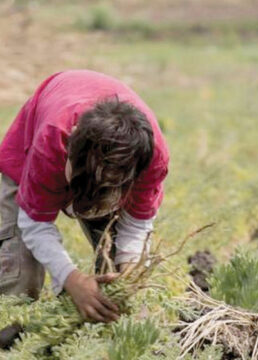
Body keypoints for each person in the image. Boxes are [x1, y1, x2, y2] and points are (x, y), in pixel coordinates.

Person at [0, 70, 169, 323]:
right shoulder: (52, 140)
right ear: (70, 147)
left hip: (115, 166)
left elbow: (136, 228)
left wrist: (131, 270)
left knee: (122, 292)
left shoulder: (149, 159)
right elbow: (34, 224)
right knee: (19, 280)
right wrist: (71, 278)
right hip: (39, 143)